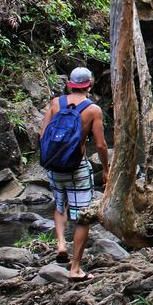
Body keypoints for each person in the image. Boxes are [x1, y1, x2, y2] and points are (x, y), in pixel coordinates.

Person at [38, 67, 108, 281]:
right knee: (82, 217)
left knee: (60, 206)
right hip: (77, 167)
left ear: (70, 84)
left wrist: (52, 158)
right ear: (90, 84)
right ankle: (75, 268)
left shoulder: (55, 103)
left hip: (54, 166)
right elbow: (101, 144)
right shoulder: (93, 110)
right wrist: (106, 169)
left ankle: (60, 245)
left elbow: (42, 134)